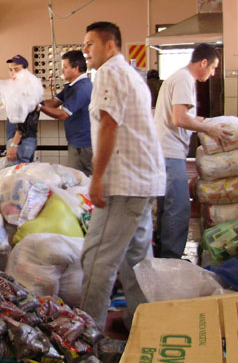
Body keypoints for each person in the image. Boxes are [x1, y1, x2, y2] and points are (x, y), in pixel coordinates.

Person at [79, 22, 166, 331]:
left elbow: (109, 124)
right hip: (143, 181)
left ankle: (85, 336)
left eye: (90, 44)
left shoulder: (109, 72)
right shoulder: (130, 74)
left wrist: (97, 176)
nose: (85, 50)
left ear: (110, 46)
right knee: (137, 258)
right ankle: (146, 323)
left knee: (97, 258)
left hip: (124, 182)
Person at [154, 44, 230, 259]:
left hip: (165, 151)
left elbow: (184, 115)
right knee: (177, 209)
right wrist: (210, 129)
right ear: (203, 62)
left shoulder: (180, 78)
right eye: (213, 68)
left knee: (166, 209)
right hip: (170, 152)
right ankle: (171, 260)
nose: (213, 73)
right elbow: (178, 118)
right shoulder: (184, 79)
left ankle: (164, 257)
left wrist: (208, 121)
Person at [40, 50, 93, 176]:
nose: (62, 70)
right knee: (76, 178)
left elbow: (63, 114)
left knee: (82, 179)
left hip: (85, 144)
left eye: (65, 66)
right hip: (75, 141)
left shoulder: (82, 88)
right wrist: (35, 101)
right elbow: (54, 102)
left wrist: (38, 107)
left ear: (75, 68)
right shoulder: (71, 86)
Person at [4, 55, 40, 165]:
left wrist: (14, 144)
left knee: (17, 179)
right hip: (23, 140)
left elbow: (26, 119)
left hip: (21, 141)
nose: (12, 72)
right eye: (10, 69)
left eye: (16, 69)